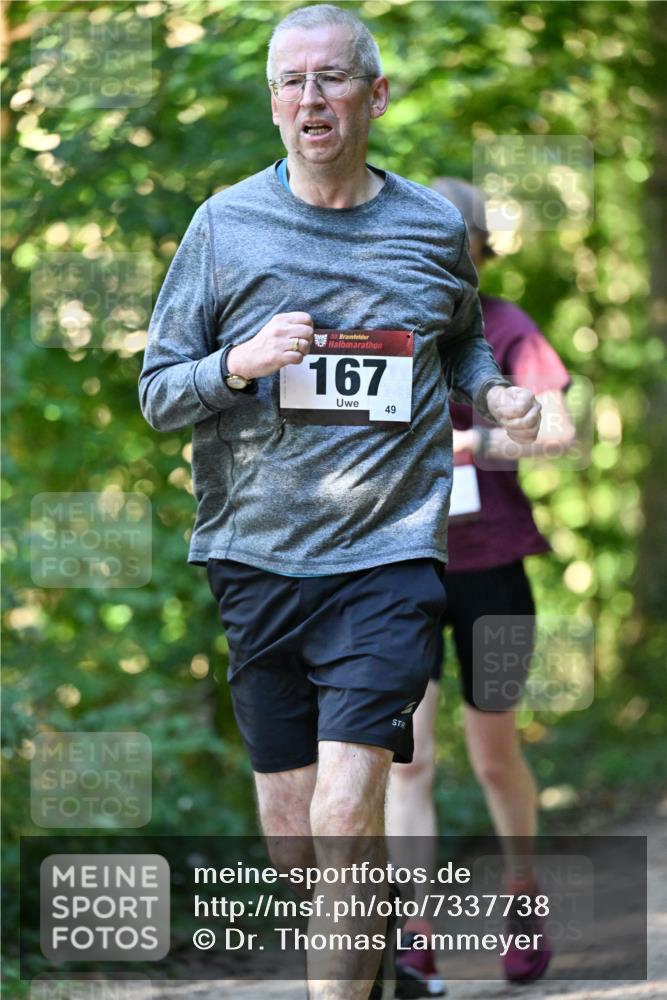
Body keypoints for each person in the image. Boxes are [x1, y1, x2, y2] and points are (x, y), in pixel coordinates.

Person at [139, 7, 541, 998]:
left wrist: (490, 389)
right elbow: (157, 392)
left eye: (329, 79)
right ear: (272, 100)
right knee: (296, 842)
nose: (309, 100)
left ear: (375, 93)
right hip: (256, 556)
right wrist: (239, 362)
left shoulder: (429, 223)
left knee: (347, 804)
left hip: (390, 556)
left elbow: (460, 337)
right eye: (290, 81)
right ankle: (373, 972)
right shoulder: (223, 227)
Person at [387, 178, 574, 996]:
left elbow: (560, 432)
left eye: (449, 238)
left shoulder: (507, 328)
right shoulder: (386, 330)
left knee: (496, 758)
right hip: (400, 574)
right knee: (408, 762)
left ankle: (523, 894)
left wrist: (475, 447)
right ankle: (415, 924)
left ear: (475, 245)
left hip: (493, 571)